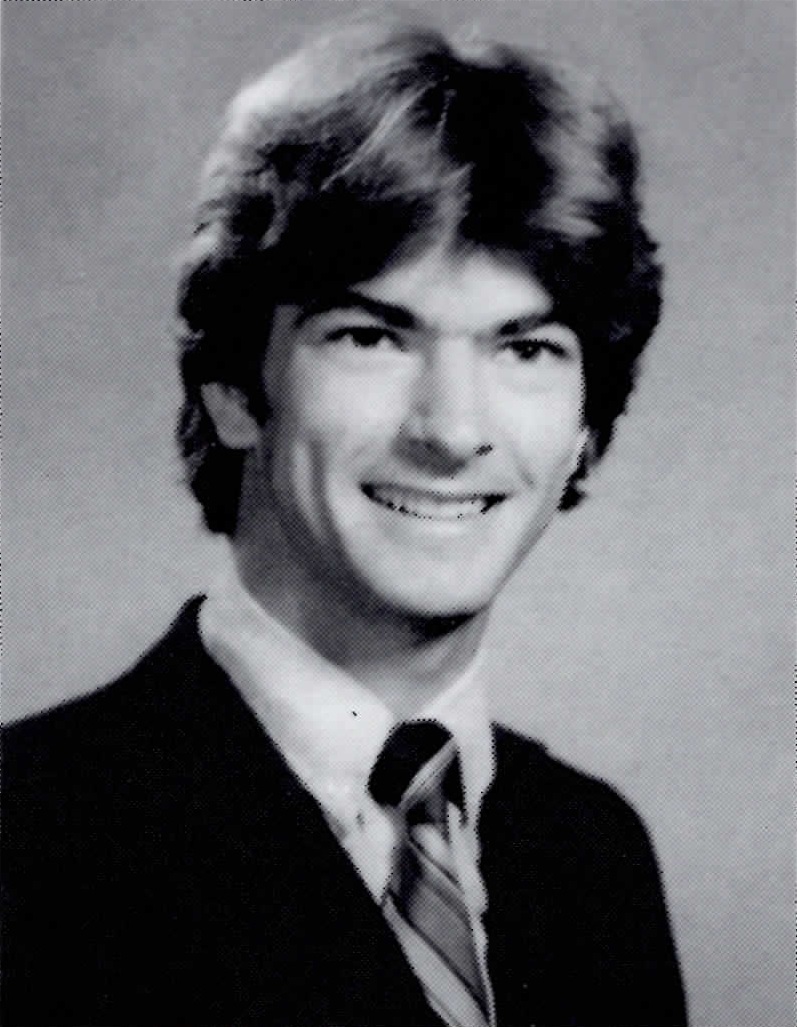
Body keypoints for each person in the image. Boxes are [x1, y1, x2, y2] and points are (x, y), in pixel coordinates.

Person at [2, 21, 688, 1027]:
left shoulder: (591, 853)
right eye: (371, 336)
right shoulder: (30, 836)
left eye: (524, 349)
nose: (452, 431)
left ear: (585, 427)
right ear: (234, 385)